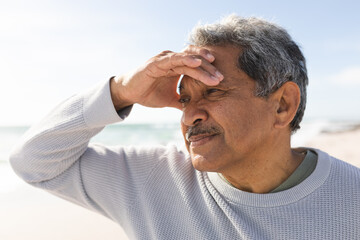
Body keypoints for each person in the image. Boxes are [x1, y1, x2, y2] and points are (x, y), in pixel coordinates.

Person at [10, 15, 360, 239]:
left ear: (282, 105)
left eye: (212, 92)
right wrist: (120, 92)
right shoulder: (152, 181)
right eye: (184, 99)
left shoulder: (352, 201)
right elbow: (33, 162)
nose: (190, 115)